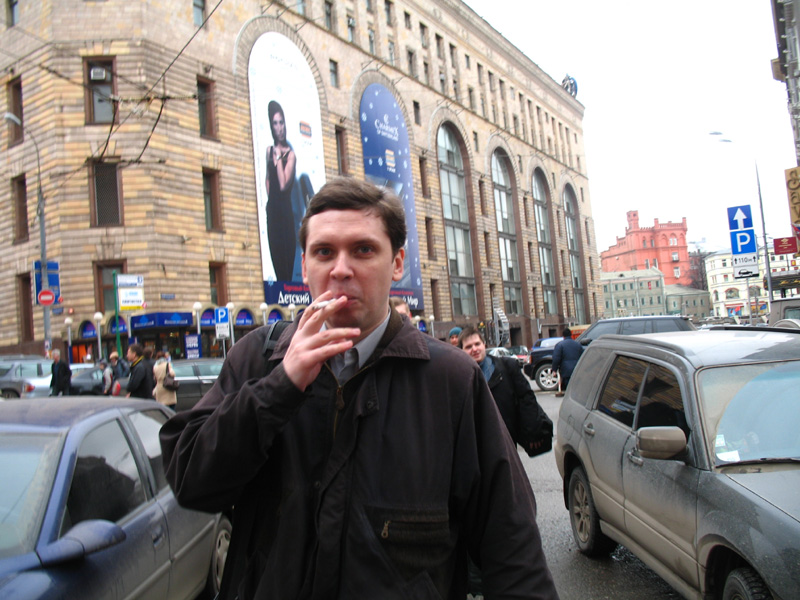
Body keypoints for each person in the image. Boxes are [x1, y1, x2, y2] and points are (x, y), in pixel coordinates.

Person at [160, 178, 558, 600]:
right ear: (304, 265)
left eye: (363, 250)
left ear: (397, 263)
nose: (340, 269)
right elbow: (192, 481)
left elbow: (513, 548)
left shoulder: (451, 380)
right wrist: (280, 387)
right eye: (324, 252)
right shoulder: (258, 359)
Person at [265, 100, 298, 282]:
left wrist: (278, 158)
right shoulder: (268, 151)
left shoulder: (290, 154)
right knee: (276, 256)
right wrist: (270, 202)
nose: (279, 128)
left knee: (286, 262)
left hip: (286, 214)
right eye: (275, 123)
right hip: (273, 213)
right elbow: (268, 179)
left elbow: (283, 183)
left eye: (281, 122)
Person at [551, 327, 584, 394]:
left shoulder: (560, 345)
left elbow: (556, 358)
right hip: (577, 369)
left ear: (563, 336)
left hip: (566, 371)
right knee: (576, 388)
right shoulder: (578, 344)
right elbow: (583, 356)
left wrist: (554, 369)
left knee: (568, 388)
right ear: (571, 335)